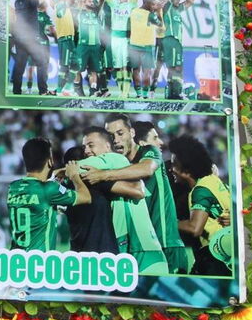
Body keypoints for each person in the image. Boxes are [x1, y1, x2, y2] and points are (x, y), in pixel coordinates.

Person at [81, 115, 190, 274]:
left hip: (166, 242)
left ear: (132, 132)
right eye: (111, 135)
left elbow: (146, 169)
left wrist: (103, 175)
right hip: (138, 244)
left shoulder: (149, 151)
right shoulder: (117, 163)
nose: (116, 140)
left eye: (120, 133)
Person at [6, 137, 90, 252]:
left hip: (15, 258)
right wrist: (74, 175)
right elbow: (86, 197)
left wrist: (54, 176)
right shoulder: (50, 189)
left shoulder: (13, 187)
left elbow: (38, 195)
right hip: (39, 259)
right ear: (50, 161)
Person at [168, 135, 233, 277]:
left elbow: (194, 228)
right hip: (225, 254)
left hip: (214, 256)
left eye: (174, 164)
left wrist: (166, 223)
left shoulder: (200, 190)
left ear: (186, 169)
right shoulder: (215, 181)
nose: (171, 169)